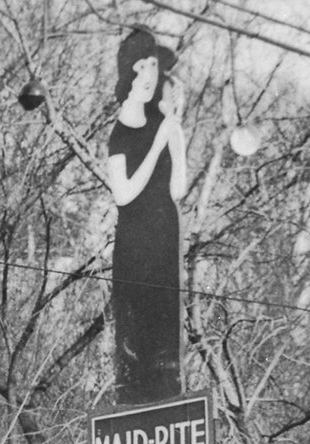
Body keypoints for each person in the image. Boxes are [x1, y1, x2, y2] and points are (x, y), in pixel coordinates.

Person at [106, 27, 187, 405]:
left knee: (165, 328)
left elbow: (177, 188)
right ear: (130, 72)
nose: (151, 72)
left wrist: (176, 136)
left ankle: (165, 383)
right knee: (135, 324)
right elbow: (123, 193)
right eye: (144, 63)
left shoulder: (161, 121)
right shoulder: (121, 134)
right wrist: (157, 145)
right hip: (136, 239)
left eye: (155, 63)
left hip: (164, 232)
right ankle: (134, 390)